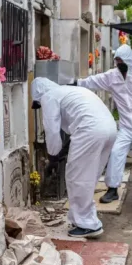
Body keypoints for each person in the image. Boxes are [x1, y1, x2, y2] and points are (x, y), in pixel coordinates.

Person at [74, 44, 132, 207]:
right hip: (126, 125)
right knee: (115, 153)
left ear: (129, 60)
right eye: (117, 61)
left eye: (122, 60)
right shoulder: (111, 77)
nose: (119, 63)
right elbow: (93, 81)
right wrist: (75, 83)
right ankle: (113, 189)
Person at [31, 78, 117, 239]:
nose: (41, 106)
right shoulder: (69, 91)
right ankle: (84, 217)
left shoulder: (49, 96)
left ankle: (87, 224)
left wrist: (53, 156)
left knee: (76, 177)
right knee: (89, 177)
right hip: (110, 128)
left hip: (90, 131)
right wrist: (59, 154)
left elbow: (52, 129)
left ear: (39, 95)